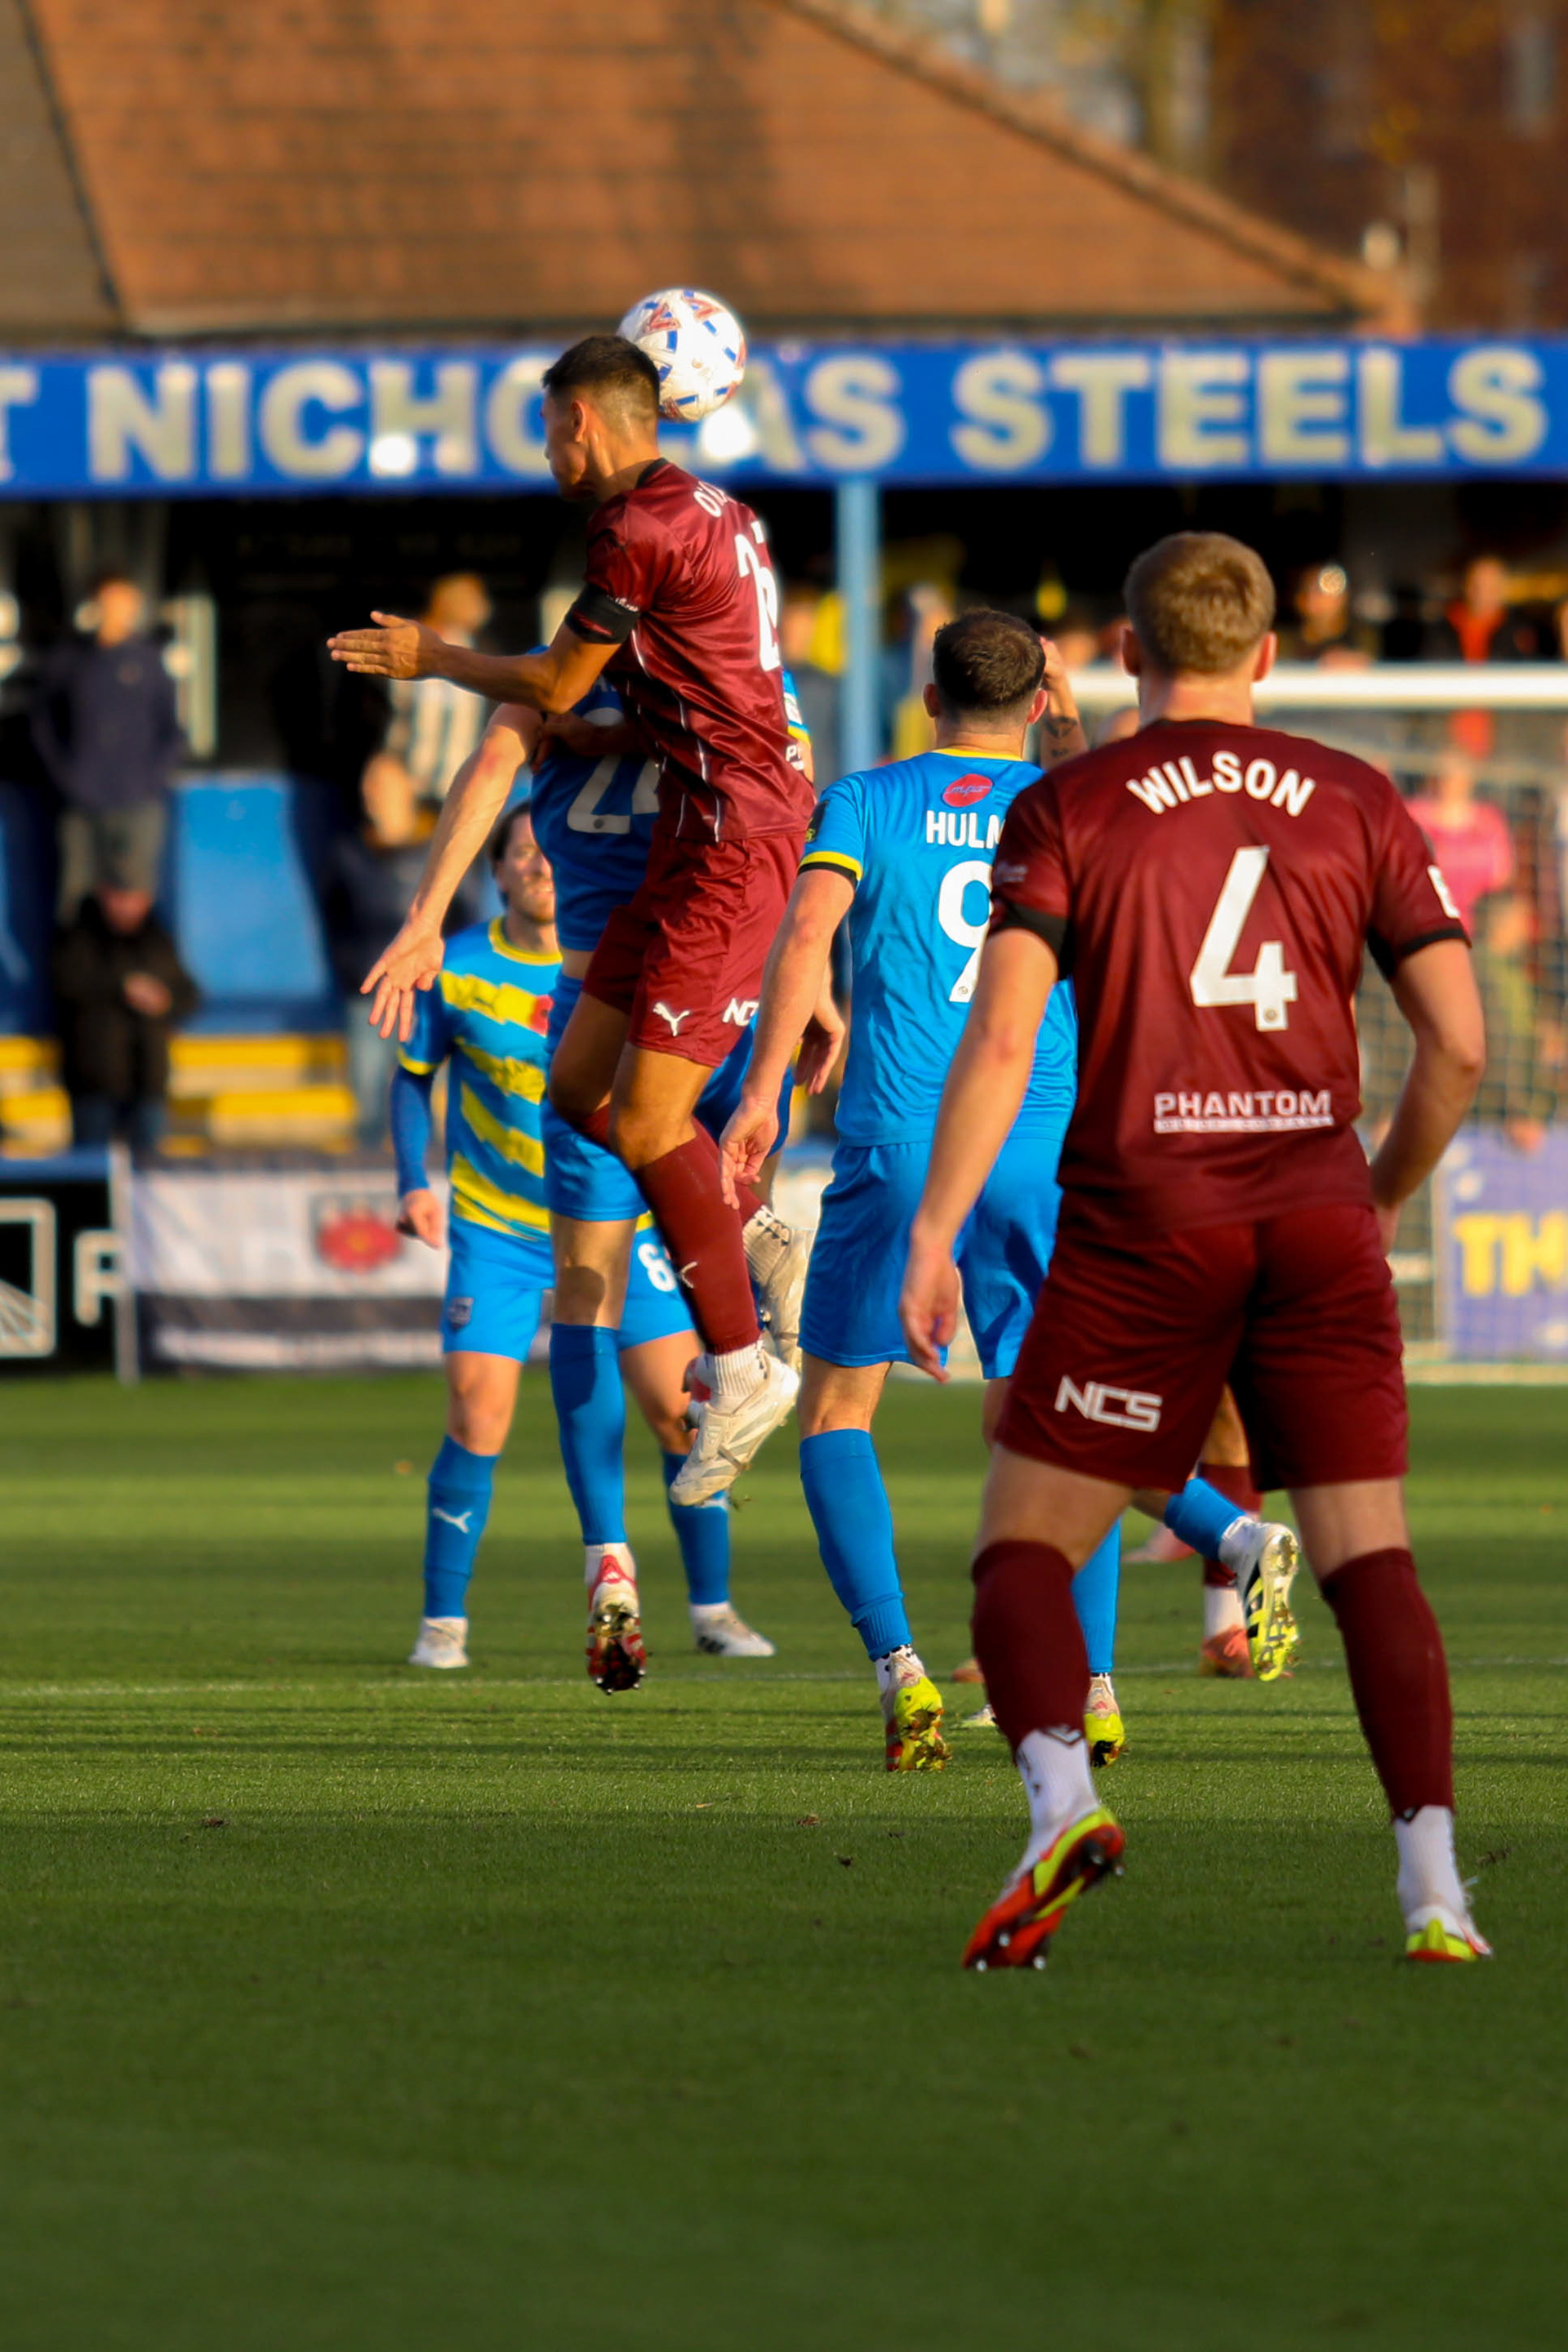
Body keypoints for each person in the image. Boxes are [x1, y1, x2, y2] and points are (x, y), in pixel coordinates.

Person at [901, 529, 1488, 1971]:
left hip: (1148, 1220)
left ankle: (1059, 1812)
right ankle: (1436, 1894)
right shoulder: (1355, 797)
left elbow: (999, 1035)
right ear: (1269, 656)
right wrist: (1382, 1193)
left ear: (1122, 653)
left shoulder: (1072, 804)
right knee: (1371, 1561)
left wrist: (932, 1230)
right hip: (1315, 1214)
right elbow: (1462, 1046)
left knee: (1018, 1552)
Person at [723, 610, 1296, 1771]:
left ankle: (900, 1673)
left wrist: (761, 1097)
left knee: (838, 1413)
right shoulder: (1080, 802)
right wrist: (1069, 702)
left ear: (926, 700)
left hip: (900, 1141)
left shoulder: (866, 801)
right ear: (1039, 702)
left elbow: (802, 943)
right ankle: (1145, 1630)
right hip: (1044, 1142)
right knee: (1059, 1423)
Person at [330, 334, 815, 1506]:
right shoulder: (722, 514)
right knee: (580, 1088)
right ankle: (751, 1227)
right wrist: (610, 734)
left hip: (730, 844)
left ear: (586, 425)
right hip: (703, 827)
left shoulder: (629, 528)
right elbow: (706, 689)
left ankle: (744, 1365)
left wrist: (430, 656)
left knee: (649, 1124)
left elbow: (550, 686)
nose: (548, 453)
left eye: (553, 431)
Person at [419, 660, 814, 1688]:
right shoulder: (726, 689)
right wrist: (808, 982)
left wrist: (424, 907)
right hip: (719, 1000)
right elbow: (796, 835)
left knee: (585, 1294)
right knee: (690, 1220)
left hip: (604, 992)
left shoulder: (549, 695)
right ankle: (753, 1281)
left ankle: (615, 1560)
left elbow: (494, 760)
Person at [31, 570, 185, 920]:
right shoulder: (69, 660)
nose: (117, 610)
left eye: (125, 602)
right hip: (80, 804)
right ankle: (78, 974)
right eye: (109, 602)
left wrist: (150, 780)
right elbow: (42, 724)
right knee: (75, 903)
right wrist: (65, 775)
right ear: (95, 605)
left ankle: (130, 974)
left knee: (131, 906)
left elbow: (172, 731)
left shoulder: (149, 661)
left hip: (137, 804)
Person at [323, 757, 439, 1146]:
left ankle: (433, 1181)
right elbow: (335, 920)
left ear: (408, 789)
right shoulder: (347, 851)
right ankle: (370, 1182)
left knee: (431, 1100)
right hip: (368, 992)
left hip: (427, 991)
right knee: (369, 1104)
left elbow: (461, 914)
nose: (372, 796)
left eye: (383, 786)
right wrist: (352, 973)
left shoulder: (436, 848)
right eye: (368, 787)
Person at [51, 880, 197, 1148]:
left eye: (134, 897)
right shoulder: (81, 936)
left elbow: (189, 993)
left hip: (149, 1078)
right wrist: (124, 986)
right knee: (92, 1168)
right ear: (103, 896)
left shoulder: (158, 941)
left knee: (148, 1172)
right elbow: (69, 983)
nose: (126, 906)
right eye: (119, 896)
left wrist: (165, 1000)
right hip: (95, 1079)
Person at [369, 572, 494, 814]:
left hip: (462, 783)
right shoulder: (403, 645)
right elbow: (374, 711)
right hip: (404, 782)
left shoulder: (481, 650)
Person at [1406, 739, 1516, 938]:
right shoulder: (1414, 815)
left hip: (1477, 933)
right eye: (1445, 773)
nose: (1450, 780)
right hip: (1421, 929)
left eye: (1457, 772)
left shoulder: (1488, 820)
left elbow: (1502, 874)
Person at [1276, 564, 1375, 667]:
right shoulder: (1283, 642)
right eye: (1308, 590)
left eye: (1324, 589)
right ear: (1299, 600)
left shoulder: (1363, 638)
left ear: (1344, 597)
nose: (1314, 598)